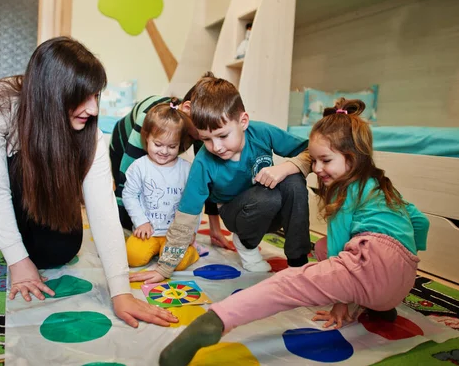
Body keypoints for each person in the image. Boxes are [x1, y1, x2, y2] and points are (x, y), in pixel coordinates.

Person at [157, 99, 430, 366]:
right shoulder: (383, 186)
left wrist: (340, 302)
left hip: (369, 264)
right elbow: (419, 222)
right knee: (321, 248)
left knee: (288, 285)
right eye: (206, 139)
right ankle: (381, 307)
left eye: (325, 161)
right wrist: (402, 255)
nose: (318, 168)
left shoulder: (345, 189)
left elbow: (338, 249)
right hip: (402, 280)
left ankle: (217, 319)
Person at [0, 36, 177, 328]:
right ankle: (17, 227)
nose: (92, 110)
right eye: (83, 97)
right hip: (10, 174)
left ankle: (29, 225)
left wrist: (120, 291)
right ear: (53, 92)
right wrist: (17, 259)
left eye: (96, 97)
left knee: (57, 252)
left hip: (51, 184)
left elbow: (103, 209)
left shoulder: (91, 134)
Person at [130, 72, 312, 283]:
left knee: (294, 180)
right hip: (239, 215)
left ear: (243, 121)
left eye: (223, 136)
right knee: (268, 196)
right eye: (206, 139)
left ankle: (298, 263)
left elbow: (311, 151)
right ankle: (246, 242)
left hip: (273, 213)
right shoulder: (204, 161)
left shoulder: (261, 132)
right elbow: (186, 215)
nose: (216, 147)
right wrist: (164, 268)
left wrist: (287, 167)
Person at [110, 94, 232, 250]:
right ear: (188, 110)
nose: (205, 137)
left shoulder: (197, 134)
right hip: (122, 143)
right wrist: (134, 224)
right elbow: (126, 185)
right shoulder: (150, 119)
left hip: (167, 228)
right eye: (203, 132)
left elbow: (202, 182)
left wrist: (214, 228)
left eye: (172, 146)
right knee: (126, 220)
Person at [122, 99, 202, 268]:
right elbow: (129, 195)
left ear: (180, 144)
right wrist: (140, 221)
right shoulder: (139, 167)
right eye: (158, 144)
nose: (164, 151)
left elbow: (194, 203)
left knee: (176, 263)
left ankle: (191, 252)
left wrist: (191, 232)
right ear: (147, 138)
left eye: (172, 146)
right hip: (147, 232)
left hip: (175, 234)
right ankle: (157, 250)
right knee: (132, 257)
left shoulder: (187, 170)